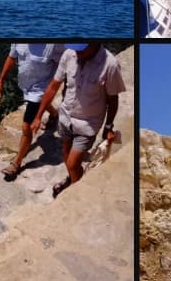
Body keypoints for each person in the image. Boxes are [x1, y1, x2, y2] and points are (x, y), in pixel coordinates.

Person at [37, 43, 124, 198]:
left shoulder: (110, 64)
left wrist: (108, 126)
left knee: (72, 162)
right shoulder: (69, 54)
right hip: (65, 117)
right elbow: (53, 86)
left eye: (81, 49)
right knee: (66, 153)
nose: (77, 53)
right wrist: (38, 116)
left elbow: (113, 99)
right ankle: (73, 178)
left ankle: (79, 197)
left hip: (88, 124)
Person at [0, 42, 65, 181]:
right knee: (38, 104)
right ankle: (54, 114)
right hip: (26, 85)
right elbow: (12, 57)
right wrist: (0, 80)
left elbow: (66, 61)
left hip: (40, 89)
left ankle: (16, 163)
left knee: (26, 127)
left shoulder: (53, 45)